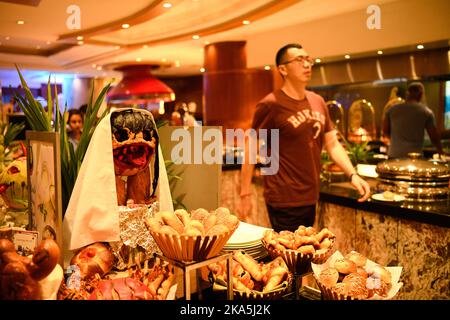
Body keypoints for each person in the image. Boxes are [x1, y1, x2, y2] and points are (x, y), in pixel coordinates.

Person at [237, 43, 371, 232]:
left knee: (304, 253)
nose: (307, 64)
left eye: (308, 59)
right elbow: (250, 149)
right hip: (283, 198)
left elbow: (332, 144)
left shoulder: (318, 101)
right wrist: (245, 195)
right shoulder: (270, 105)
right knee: (290, 257)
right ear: (282, 69)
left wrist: (353, 174)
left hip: (310, 195)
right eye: (299, 60)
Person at [383, 82, 444, 159]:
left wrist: (397, 141)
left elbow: (385, 131)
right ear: (421, 94)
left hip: (394, 154)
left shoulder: (392, 110)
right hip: (415, 156)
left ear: (408, 93)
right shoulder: (426, 112)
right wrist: (440, 151)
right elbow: (434, 137)